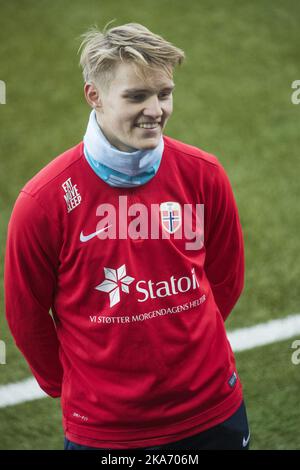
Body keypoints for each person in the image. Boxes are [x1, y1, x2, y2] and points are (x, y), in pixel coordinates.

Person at [4, 22, 250, 451]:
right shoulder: (43, 201)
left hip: (212, 409)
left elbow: (226, 278)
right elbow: (26, 315)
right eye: (136, 96)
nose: (155, 109)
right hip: (107, 430)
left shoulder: (203, 174)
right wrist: (84, 385)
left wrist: (186, 342)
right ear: (94, 96)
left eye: (164, 93)